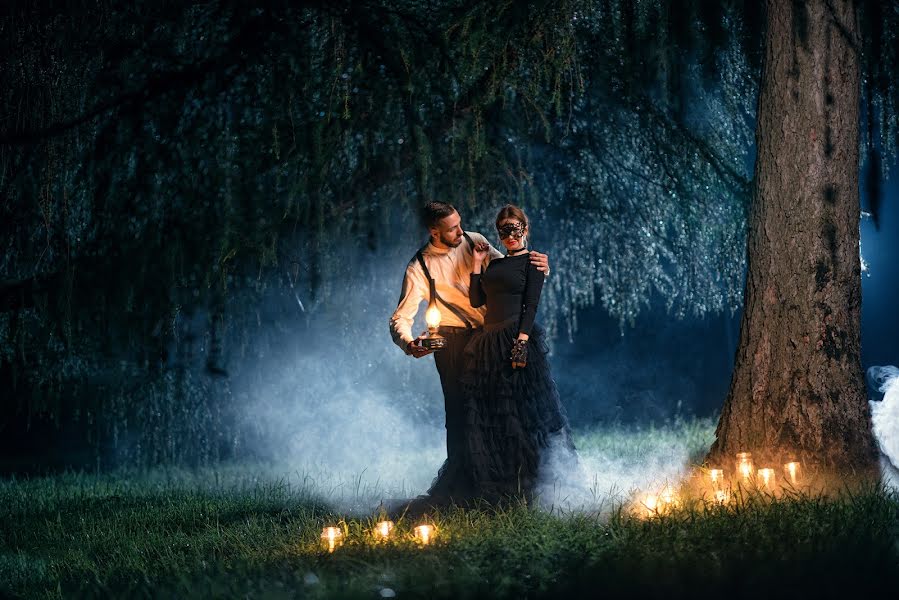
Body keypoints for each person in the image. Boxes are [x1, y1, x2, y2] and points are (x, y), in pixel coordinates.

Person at [388, 201, 550, 511]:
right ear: (434, 232)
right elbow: (400, 318)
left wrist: (540, 267)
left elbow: (511, 273)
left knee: (498, 413)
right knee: (461, 416)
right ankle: (464, 490)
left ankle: (506, 483)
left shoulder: (476, 241)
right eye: (451, 228)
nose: (460, 230)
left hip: (491, 338)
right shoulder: (419, 267)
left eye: (459, 223)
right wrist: (409, 343)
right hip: (451, 342)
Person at [458, 204, 577, 506]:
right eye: (503, 230)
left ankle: (535, 483)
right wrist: (477, 263)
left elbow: (532, 305)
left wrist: (521, 341)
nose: (509, 235)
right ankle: (502, 480)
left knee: (523, 413)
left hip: (515, 337)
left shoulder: (534, 262)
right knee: (493, 413)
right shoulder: (494, 265)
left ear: (525, 228)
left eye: (514, 228)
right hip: (488, 343)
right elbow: (475, 299)